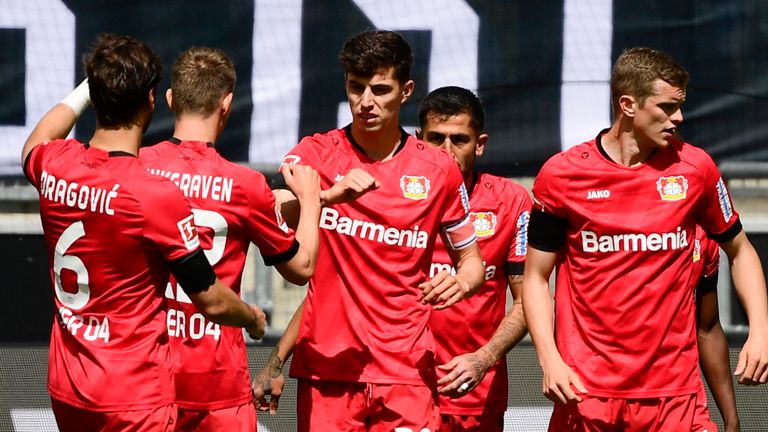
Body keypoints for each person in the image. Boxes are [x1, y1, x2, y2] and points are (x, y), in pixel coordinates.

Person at [21, 34, 266, 432]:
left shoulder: (55, 163)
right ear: (152, 100)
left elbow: (37, 139)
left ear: (96, 99)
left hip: (68, 387)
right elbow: (213, 302)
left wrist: (93, 85)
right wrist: (252, 318)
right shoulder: (152, 195)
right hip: (132, 396)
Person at [522, 46, 768, 431]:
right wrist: (549, 359)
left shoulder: (695, 168)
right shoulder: (562, 175)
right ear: (628, 104)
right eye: (667, 107)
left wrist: (761, 332)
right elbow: (535, 278)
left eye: (681, 106)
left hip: (675, 398)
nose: (679, 118)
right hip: (587, 395)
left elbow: (741, 250)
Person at [253, 30, 485, 431]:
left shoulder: (438, 169)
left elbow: (472, 264)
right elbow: (269, 208)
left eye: (380, 89)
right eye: (356, 88)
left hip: (406, 371)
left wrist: (461, 283)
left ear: (406, 90)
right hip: (329, 369)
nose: (365, 102)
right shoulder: (315, 152)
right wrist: (325, 197)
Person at [138, 47, 321, 432]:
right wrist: (312, 198)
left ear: (170, 99)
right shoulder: (245, 185)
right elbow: (302, 268)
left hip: (146, 373)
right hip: (216, 383)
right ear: (227, 104)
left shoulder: (138, 167)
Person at [416, 86, 531, 432]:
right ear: (418, 140)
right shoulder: (393, 197)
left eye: (459, 140)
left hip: (475, 392)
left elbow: (529, 300)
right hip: (402, 388)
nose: (447, 151)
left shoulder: (512, 202)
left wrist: (484, 358)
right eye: (435, 138)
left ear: (479, 144)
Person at [692, 227, 740, 432]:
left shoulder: (701, 235)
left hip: (681, 400)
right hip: (602, 394)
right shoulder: (596, 224)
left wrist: (732, 422)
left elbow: (707, 328)